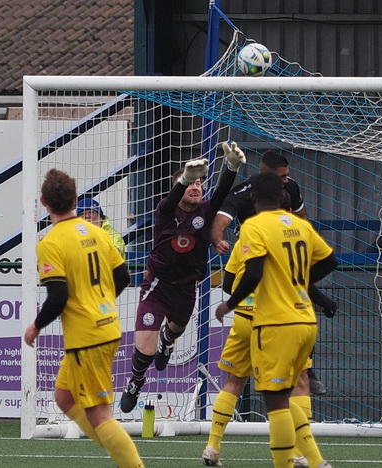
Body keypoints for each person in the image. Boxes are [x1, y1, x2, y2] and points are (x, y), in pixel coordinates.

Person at [215, 172, 338, 468]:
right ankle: (315, 460)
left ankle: (294, 462)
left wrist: (229, 304)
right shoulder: (299, 224)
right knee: (298, 386)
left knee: (276, 400)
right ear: (283, 198)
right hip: (306, 321)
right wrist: (300, 282)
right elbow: (331, 261)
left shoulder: (254, 226)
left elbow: (253, 273)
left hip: (276, 322)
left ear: (253, 198)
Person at [23, 168, 144, 468]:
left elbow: (58, 297)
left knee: (100, 414)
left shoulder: (50, 243)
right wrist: (98, 302)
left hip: (87, 338)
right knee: (64, 397)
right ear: (76, 199)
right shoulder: (99, 233)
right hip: (107, 327)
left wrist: (35, 327)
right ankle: (119, 452)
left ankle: (130, 462)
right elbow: (124, 276)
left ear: (43, 202)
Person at [119, 142, 246, 413]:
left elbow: (222, 191)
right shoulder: (165, 211)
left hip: (187, 288)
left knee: (175, 330)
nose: (196, 186)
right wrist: (184, 179)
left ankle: (168, 339)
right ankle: (135, 381)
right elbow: (169, 199)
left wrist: (232, 167)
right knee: (146, 349)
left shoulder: (206, 211)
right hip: (158, 287)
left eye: (199, 183)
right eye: (190, 183)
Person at [210, 149, 332, 397]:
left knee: (244, 382)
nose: (287, 180)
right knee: (285, 385)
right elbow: (220, 221)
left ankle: (307, 369)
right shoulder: (245, 200)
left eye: (287, 176)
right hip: (251, 254)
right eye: (282, 177)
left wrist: (304, 243)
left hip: (276, 272)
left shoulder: (291, 189)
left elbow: (303, 220)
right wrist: (218, 240)